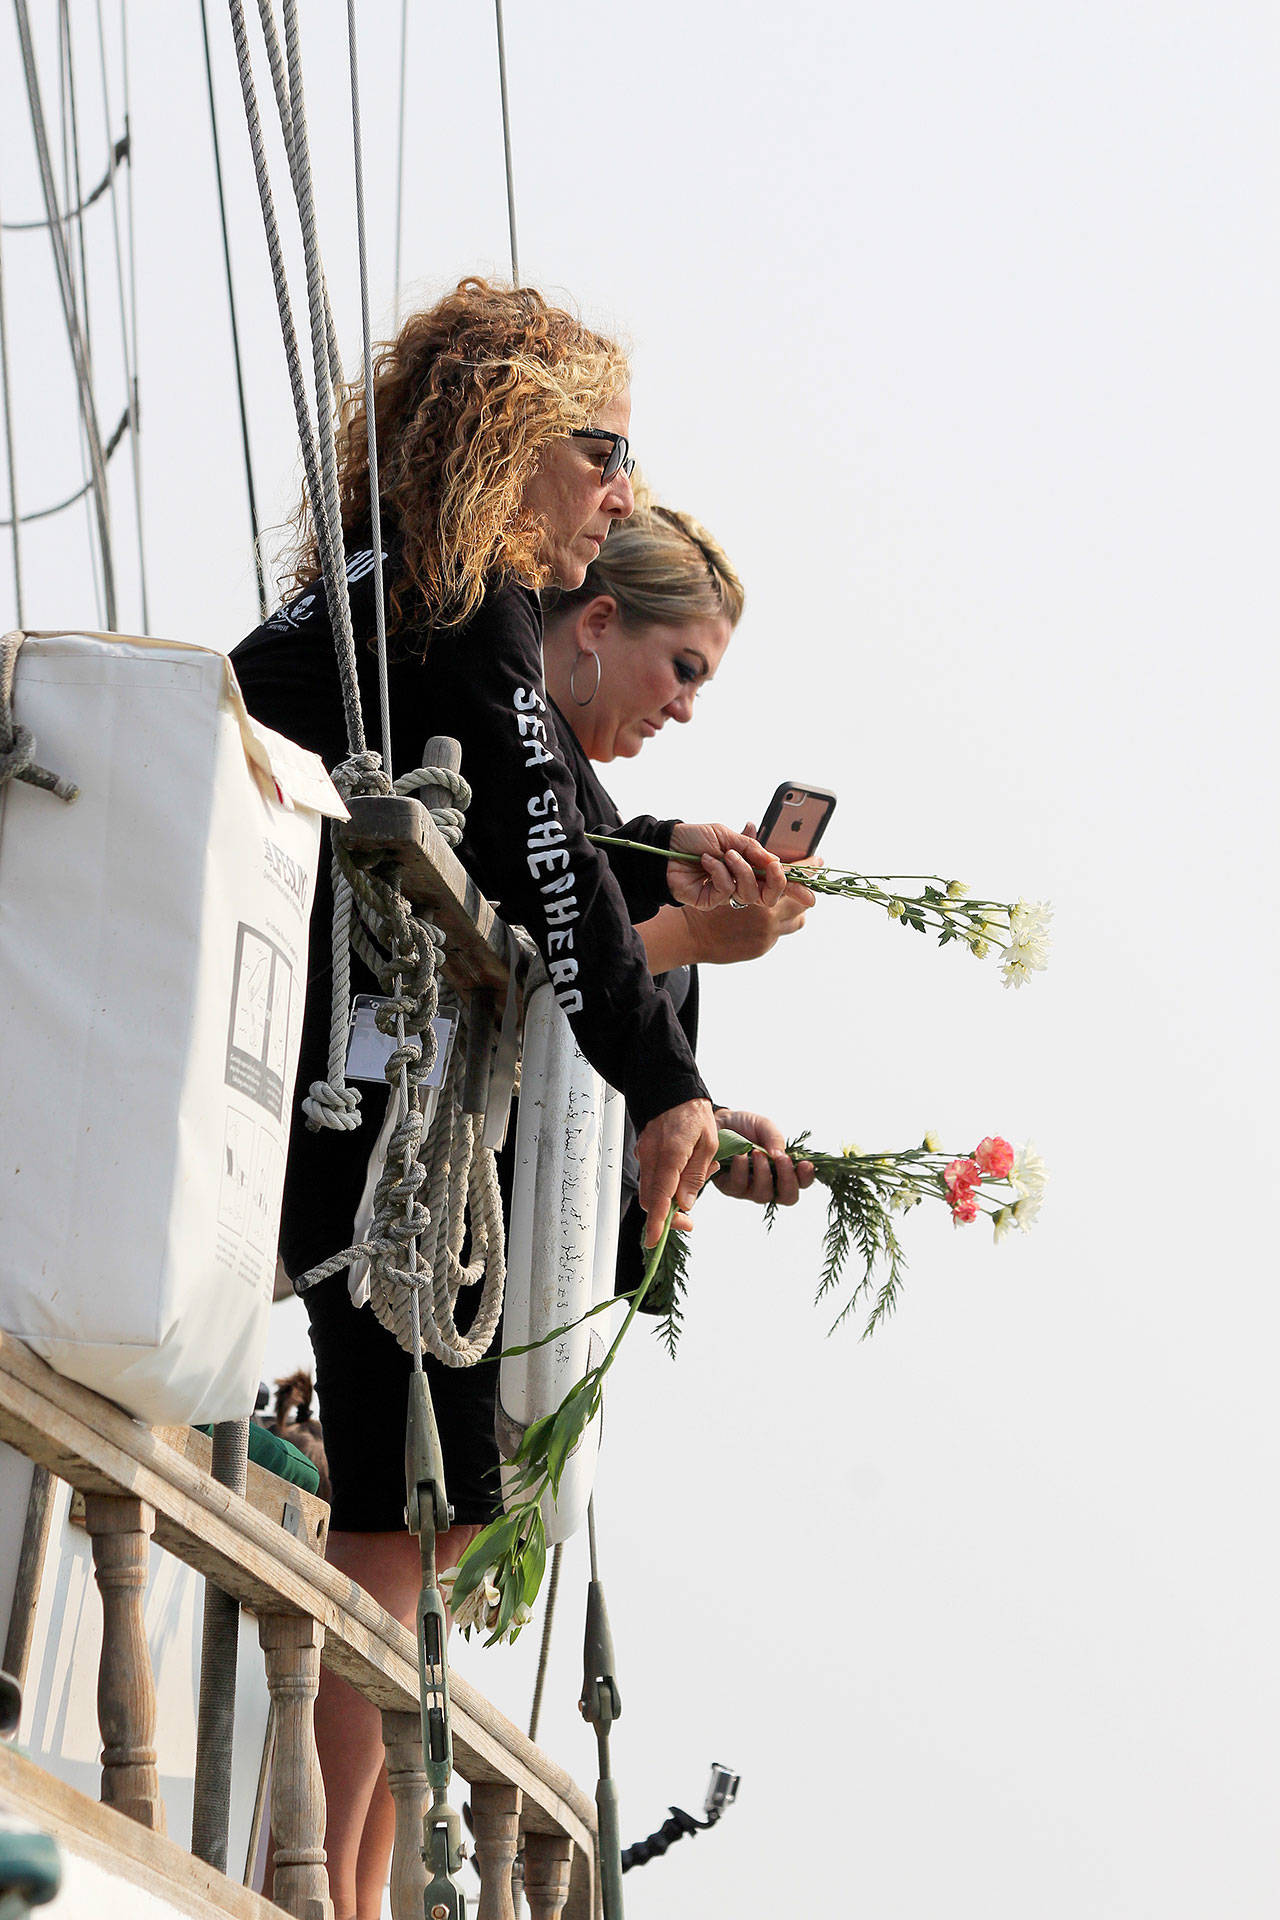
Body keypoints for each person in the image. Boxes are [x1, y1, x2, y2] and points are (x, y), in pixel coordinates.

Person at [231, 279, 806, 1920]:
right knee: (409, 1513)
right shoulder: (455, 605)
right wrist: (673, 1066)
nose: (621, 491)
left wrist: (683, 1042)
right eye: (603, 451)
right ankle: (332, 1895)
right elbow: (550, 880)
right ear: (507, 432)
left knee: (430, 1505)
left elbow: (553, 856)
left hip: (332, 1072)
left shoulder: (405, 596)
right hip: (333, 1086)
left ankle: (340, 1881)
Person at [541, 502, 817, 1256]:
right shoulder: (514, 766)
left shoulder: (588, 808)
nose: (687, 709)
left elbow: (589, 1020)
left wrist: (706, 1129)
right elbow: (520, 965)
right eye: (683, 669)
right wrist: (697, 933)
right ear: (598, 622)